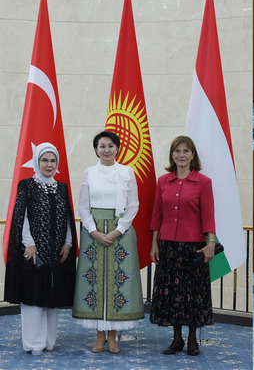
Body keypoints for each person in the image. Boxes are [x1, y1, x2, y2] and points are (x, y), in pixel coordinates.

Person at [72, 131, 144, 354]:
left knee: (118, 282)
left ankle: (113, 337)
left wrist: (117, 231)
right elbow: (83, 206)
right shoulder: (89, 173)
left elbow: (133, 205)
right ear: (96, 149)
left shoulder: (127, 172)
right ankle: (99, 336)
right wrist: (93, 231)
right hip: (93, 233)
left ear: (117, 148)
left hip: (120, 231)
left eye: (110, 146)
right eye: (101, 146)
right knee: (95, 282)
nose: (106, 150)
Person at [3, 143, 77, 356]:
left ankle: (48, 342)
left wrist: (68, 243)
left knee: (51, 299)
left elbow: (68, 218)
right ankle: (34, 343)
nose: (49, 164)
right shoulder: (26, 185)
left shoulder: (61, 187)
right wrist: (29, 243)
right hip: (33, 250)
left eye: (53, 160)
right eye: (44, 160)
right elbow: (21, 216)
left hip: (57, 251)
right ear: (37, 161)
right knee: (33, 297)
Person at [149, 136, 217, 356]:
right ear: (172, 155)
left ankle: (192, 340)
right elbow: (156, 216)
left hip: (194, 247)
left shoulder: (203, 182)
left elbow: (208, 216)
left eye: (186, 151)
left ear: (193, 155)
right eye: (177, 151)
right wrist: (154, 244)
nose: (181, 155)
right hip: (168, 246)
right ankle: (176, 339)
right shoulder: (163, 181)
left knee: (193, 293)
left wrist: (211, 243)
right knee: (173, 293)